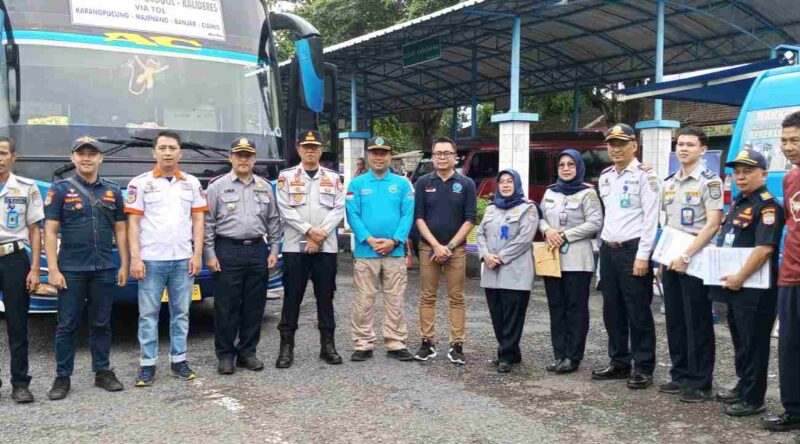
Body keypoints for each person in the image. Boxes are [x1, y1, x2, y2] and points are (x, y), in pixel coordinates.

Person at [43, 136, 128, 400]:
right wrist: (53, 269)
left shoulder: (112, 191)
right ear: (73, 159)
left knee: (101, 323)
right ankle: (62, 377)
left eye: (92, 153)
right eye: (81, 154)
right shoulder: (58, 190)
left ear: (101, 158)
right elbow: (50, 230)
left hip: (103, 267)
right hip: (71, 269)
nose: (87, 158)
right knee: (67, 325)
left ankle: (102, 371)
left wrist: (124, 263)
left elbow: (121, 231)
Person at [125, 130, 208, 387]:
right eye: (162, 148)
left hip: (183, 260)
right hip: (151, 260)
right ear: (155, 153)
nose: (168, 153)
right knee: (148, 314)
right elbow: (133, 223)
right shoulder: (139, 184)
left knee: (181, 313)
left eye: (172, 148)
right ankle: (147, 365)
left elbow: (198, 221)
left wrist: (196, 255)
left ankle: (179, 361)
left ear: (180, 153)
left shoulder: (192, 184)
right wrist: (135, 259)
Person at [712, 149, 784, 417]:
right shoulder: (740, 202)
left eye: (747, 171)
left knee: (755, 344)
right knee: (740, 340)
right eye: (736, 172)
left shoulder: (767, 206)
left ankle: (754, 399)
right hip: (736, 285)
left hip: (755, 288)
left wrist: (740, 277)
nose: (740, 177)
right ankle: (744, 385)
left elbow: (764, 248)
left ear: (763, 174)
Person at [204, 137, 282, 375]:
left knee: (254, 305)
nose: (244, 159)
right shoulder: (217, 186)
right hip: (227, 250)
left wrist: (274, 250)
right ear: (231, 158)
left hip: (258, 249)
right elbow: (208, 223)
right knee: (226, 306)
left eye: (248, 155)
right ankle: (225, 355)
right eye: (239, 155)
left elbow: (274, 221)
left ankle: (247, 352)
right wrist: (209, 253)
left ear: (254, 159)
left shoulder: (264, 186)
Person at [657, 128, 723, 403]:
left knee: (697, 321)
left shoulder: (710, 181)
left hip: (695, 257)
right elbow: (666, 225)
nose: (683, 149)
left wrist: (686, 256)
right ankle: (680, 373)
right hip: (671, 258)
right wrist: (662, 260)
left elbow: (713, 223)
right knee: (675, 319)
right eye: (679, 144)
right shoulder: (669, 182)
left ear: (702, 149)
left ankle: (700, 382)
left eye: (689, 144)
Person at [593, 123, 661, 390]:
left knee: (638, 311)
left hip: (634, 251)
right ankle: (619, 361)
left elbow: (651, 219)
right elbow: (608, 218)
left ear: (634, 146)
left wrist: (644, 256)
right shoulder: (606, 176)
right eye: (611, 144)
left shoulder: (646, 176)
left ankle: (643, 367)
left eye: (621, 143)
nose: (616, 149)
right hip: (610, 250)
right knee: (612, 310)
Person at [275, 130, 345, 368]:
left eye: (314, 147)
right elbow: (285, 209)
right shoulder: (286, 177)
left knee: (325, 298)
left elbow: (338, 209)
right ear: (298, 149)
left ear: (321, 149)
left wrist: (320, 234)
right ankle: (286, 348)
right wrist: (309, 231)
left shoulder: (334, 178)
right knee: (292, 297)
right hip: (295, 248)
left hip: (326, 248)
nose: (310, 150)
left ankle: (328, 346)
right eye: (306, 146)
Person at [345, 136, 415, 362]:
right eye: (374, 152)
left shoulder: (403, 184)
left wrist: (395, 240)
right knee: (364, 300)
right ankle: (363, 343)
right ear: (368, 155)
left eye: (383, 152)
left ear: (389, 156)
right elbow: (352, 214)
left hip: (394, 253)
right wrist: (368, 239)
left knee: (395, 299)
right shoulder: (357, 184)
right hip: (366, 253)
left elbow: (408, 214)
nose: (378, 157)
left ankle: (395, 342)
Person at [413, 137, 477, 365]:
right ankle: (427, 343)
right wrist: (436, 246)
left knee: (456, 297)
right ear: (432, 156)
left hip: (455, 250)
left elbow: (470, 219)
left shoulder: (466, 183)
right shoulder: (422, 182)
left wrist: (448, 247)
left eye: (446, 153)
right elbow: (418, 218)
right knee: (427, 296)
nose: (441, 157)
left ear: (455, 156)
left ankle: (457, 345)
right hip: (428, 248)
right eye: (437, 153)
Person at [539, 150, 603, 375]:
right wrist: (547, 230)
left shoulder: (588, 193)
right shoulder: (550, 192)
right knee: (556, 308)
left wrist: (565, 235)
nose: (566, 169)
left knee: (575, 309)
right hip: (552, 259)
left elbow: (595, 222)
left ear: (578, 168)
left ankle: (573, 357)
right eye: (562, 165)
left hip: (577, 259)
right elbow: (541, 218)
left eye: (571, 165)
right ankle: (559, 354)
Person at [477, 169, 538, 373]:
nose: (505, 185)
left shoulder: (527, 209)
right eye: (501, 182)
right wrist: (486, 255)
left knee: (513, 314)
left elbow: (524, 238)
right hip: (491, 270)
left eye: (509, 181)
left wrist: (500, 257)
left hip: (515, 270)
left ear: (517, 184)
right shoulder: (492, 208)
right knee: (497, 314)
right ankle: (511, 351)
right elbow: (480, 234)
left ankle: (506, 355)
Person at [763, 111, 800, 431]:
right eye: (784, 141)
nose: (788, 147)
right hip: (790, 274)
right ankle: (793, 409)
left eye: (795, 140)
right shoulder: (789, 180)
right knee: (789, 346)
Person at [0, 137, 44, 403]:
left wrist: (35, 269)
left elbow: (35, 230)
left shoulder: (27, 188)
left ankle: (20, 383)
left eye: (3, 152)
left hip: (15, 259)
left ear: (13, 157)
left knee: (17, 324)